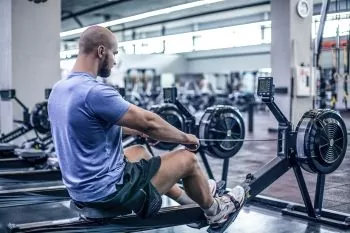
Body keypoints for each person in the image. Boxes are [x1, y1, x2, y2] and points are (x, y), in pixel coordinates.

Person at [48, 25, 245, 226]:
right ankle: (216, 211)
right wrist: (186, 138)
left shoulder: (60, 89)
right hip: (106, 194)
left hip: (80, 191)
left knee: (139, 151)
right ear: (101, 51)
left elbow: (90, 125)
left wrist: (137, 130)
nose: (115, 61)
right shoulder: (95, 91)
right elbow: (149, 122)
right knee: (187, 159)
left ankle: (189, 201)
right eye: (114, 54)